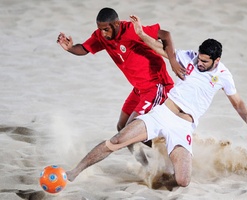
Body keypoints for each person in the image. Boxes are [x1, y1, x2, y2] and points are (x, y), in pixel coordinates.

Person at [65, 15, 247, 190]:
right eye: (199, 58)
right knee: (117, 139)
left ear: (217, 61)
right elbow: (160, 48)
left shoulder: (224, 76)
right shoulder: (189, 58)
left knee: (183, 180)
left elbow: (238, 102)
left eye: (205, 62)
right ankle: (74, 172)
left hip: (184, 126)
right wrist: (141, 34)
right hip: (162, 114)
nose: (199, 63)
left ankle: (159, 176)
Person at [56, 8, 174, 160]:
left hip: (156, 85)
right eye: (100, 29)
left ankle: (168, 154)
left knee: (130, 130)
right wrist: (70, 48)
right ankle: (147, 167)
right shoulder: (101, 36)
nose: (103, 33)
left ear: (116, 24)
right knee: (121, 127)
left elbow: (165, 35)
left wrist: (173, 62)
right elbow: (84, 49)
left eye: (106, 29)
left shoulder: (131, 30)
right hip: (139, 89)